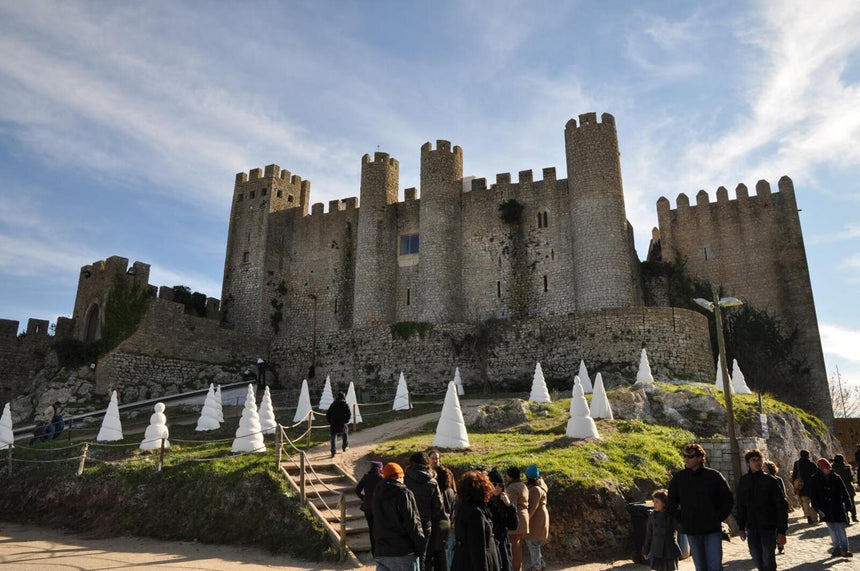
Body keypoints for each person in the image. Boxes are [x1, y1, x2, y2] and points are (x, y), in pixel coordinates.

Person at [667, 443, 733, 571]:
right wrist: (681, 518)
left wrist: (717, 517)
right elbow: (671, 502)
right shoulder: (679, 478)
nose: (686, 459)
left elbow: (728, 499)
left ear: (700, 458)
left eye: (690, 456)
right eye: (684, 456)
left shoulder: (714, 476)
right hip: (692, 530)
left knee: (715, 566)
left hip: (712, 529)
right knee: (700, 567)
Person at [734, 449, 788, 571]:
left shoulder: (771, 481)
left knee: (768, 558)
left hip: (768, 527)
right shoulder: (744, 481)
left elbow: (781, 506)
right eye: (753, 460)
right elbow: (740, 505)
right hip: (752, 528)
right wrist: (741, 527)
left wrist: (781, 531)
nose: (757, 463)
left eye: (759, 460)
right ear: (748, 463)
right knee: (756, 557)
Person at [373, 462, 426, 571]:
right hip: (403, 551)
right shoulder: (404, 493)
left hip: (382, 551)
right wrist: (421, 546)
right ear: (399, 476)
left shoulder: (377, 493)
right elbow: (412, 521)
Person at [404, 451, 447, 571]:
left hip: (407, 521)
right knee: (423, 556)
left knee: (408, 555)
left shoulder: (405, 478)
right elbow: (439, 505)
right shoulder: (432, 481)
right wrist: (428, 515)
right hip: (425, 522)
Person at [452, 470, 501, 571]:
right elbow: (478, 547)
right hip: (474, 564)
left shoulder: (463, 507)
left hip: (463, 562)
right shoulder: (475, 512)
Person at [810, 457, 853, 558]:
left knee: (840, 528)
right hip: (825, 508)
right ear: (821, 468)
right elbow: (813, 495)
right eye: (826, 468)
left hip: (837, 506)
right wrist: (817, 508)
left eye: (829, 467)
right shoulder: (814, 479)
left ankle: (844, 549)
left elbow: (844, 491)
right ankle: (836, 548)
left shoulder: (836, 477)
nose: (829, 469)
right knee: (832, 529)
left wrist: (848, 504)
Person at [487, 468, 518, 571]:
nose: (497, 488)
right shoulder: (484, 503)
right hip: (489, 546)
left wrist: (509, 506)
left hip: (503, 545)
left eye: (500, 485)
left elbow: (513, 526)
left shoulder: (504, 502)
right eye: (494, 484)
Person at [643, 489, 681, 571]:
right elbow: (649, 534)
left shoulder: (671, 516)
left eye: (657, 502)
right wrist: (645, 550)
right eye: (654, 501)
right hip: (656, 551)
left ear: (664, 503)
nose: (654, 504)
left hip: (669, 551)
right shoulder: (652, 516)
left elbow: (680, 529)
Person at [428, 464, 456, 571]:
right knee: (442, 557)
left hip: (435, 524)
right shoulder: (450, 491)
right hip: (446, 525)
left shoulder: (435, 490)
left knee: (430, 556)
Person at [524, 464, 549, 571]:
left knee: (532, 542)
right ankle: (541, 563)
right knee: (535, 542)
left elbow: (532, 508)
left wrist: (525, 520)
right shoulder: (541, 485)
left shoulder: (535, 490)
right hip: (540, 517)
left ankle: (536, 566)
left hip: (536, 519)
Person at [357, 460, 384, 555]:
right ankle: (381, 550)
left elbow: (357, 490)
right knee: (380, 529)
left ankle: (374, 551)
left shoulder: (366, 477)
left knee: (371, 529)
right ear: (380, 468)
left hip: (367, 507)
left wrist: (364, 498)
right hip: (378, 508)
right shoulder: (381, 478)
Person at [505, 467, 529, 571]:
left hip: (516, 518)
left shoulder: (512, 488)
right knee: (517, 547)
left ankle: (516, 569)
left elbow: (511, 505)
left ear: (510, 476)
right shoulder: (523, 485)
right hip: (523, 516)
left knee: (514, 548)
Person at [762, 460, 787, 555]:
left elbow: (783, 494)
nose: (763, 469)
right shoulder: (761, 480)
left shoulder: (778, 479)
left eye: (765, 467)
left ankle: (780, 546)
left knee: (779, 528)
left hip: (777, 508)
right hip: (766, 510)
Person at [791, 450, 819, 524]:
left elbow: (794, 475)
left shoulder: (797, 464)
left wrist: (794, 484)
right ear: (808, 455)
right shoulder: (812, 464)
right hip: (812, 486)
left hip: (802, 486)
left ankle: (808, 516)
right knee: (813, 502)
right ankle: (815, 518)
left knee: (805, 502)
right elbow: (817, 475)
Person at [831, 454, 857, 522]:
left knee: (841, 503)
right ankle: (854, 516)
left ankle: (846, 518)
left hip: (837, 489)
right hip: (848, 487)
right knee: (851, 502)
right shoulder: (846, 467)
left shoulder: (832, 469)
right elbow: (851, 479)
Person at [326, 391, 351, 458]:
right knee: (345, 434)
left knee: (333, 436)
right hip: (342, 422)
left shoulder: (333, 404)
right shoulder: (345, 404)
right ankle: (344, 447)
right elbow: (349, 414)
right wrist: (346, 420)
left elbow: (328, 414)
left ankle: (333, 451)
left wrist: (330, 421)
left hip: (334, 422)